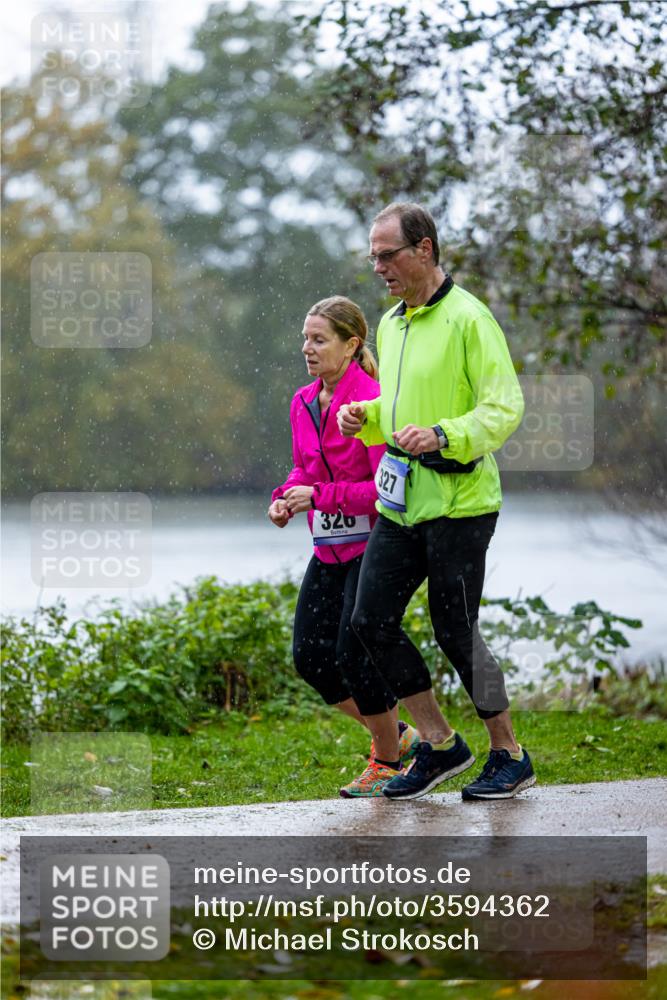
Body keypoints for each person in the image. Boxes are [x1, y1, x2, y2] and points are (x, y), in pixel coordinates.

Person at [337, 202, 536, 801]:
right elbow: (402, 407)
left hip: (462, 504)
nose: (379, 267)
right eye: (373, 257)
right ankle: (441, 743)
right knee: (370, 621)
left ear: (424, 249)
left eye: (387, 255)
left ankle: (510, 753)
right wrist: (366, 416)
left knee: (456, 630)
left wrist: (446, 435)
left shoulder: (469, 318)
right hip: (402, 503)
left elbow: (504, 408)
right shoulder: (392, 324)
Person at [268, 295, 420, 796]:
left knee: (353, 651)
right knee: (310, 657)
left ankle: (387, 762)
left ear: (351, 345)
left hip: (374, 544)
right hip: (328, 548)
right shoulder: (302, 401)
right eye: (305, 339)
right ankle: (398, 734)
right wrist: (285, 498)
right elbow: (303, 469)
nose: (307, 349)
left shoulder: (372, 400)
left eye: (319, 340)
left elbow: (383, 489)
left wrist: (320, 496)